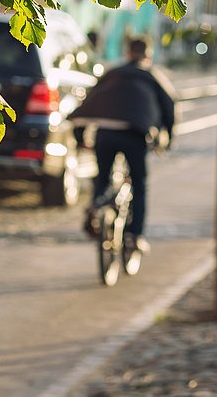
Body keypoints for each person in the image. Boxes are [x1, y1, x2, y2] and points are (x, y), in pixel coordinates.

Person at [70, 38, 175, 252]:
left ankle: (97, 203)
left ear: (128, 53)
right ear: (148, 55)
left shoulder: (112, 73)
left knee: (102, 178)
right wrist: (167, 138)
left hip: (105, 132)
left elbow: (90, 102)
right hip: (135, 134)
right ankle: (135, 236)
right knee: (139, 185)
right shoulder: (152, 76)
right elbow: (169, 107)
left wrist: (80, 137)